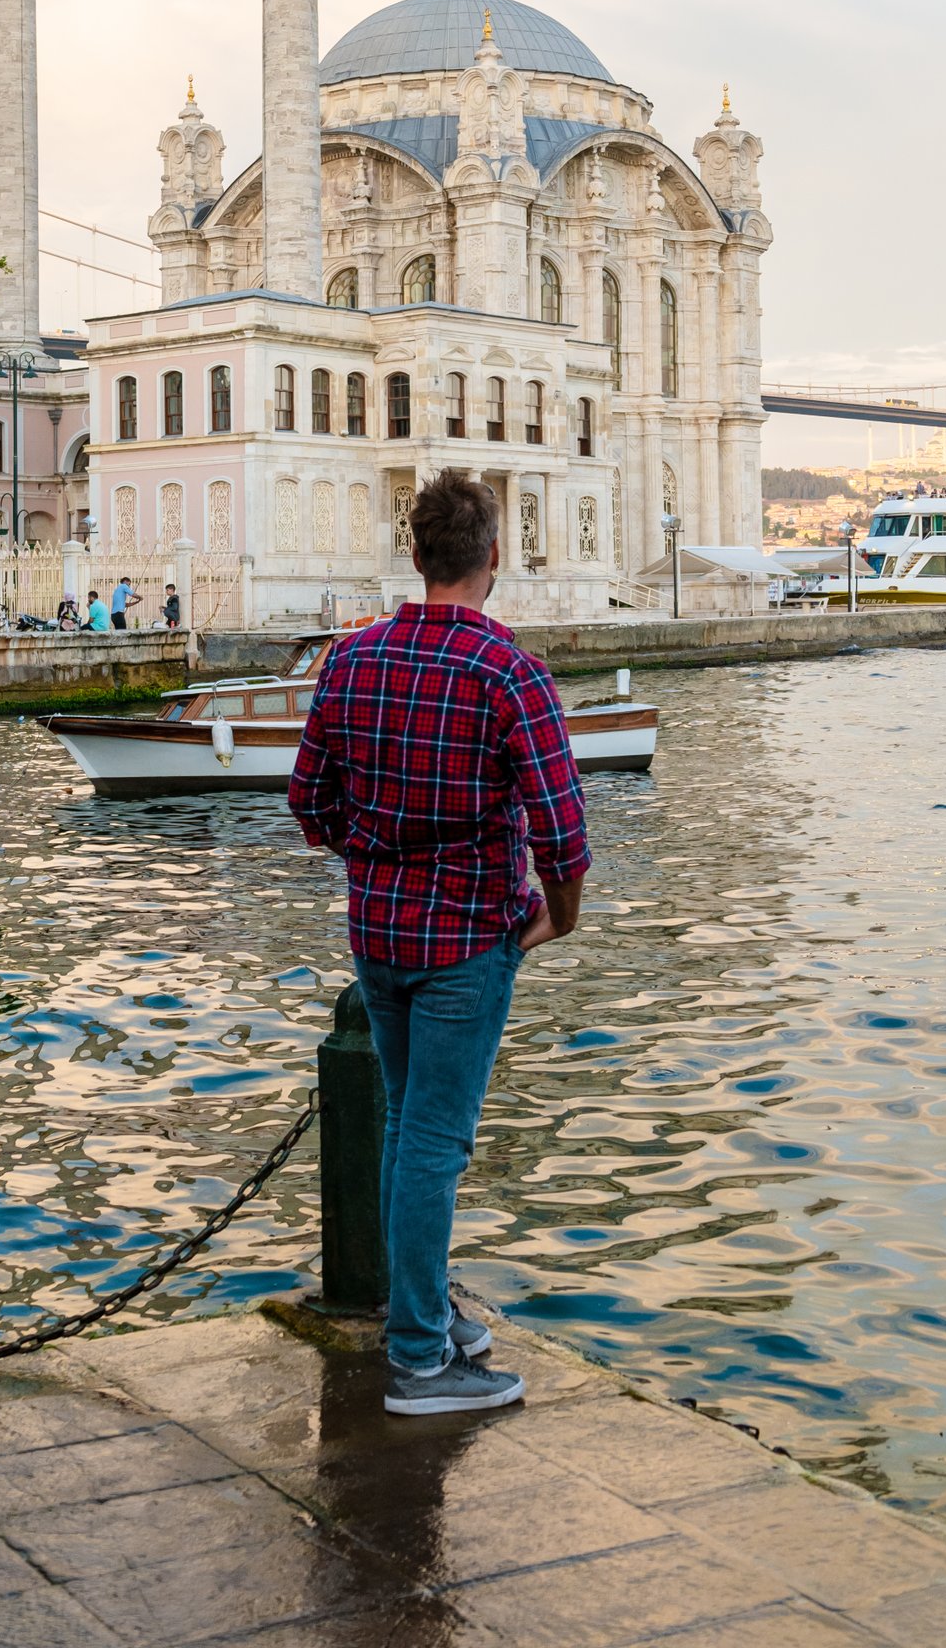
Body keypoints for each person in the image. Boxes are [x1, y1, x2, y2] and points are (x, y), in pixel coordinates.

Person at [289, 470, 589, 1418]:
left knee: (406, 1125)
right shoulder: (511, 673)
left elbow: (309, 799)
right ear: (492, 559)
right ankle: (420, 1359)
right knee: (433, 1141)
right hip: (466, 940)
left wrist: (372, 858)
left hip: (378, 932)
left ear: (414, 556)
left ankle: (417, 1309)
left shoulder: (351, 659)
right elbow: (562, 829)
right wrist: (562, 913)